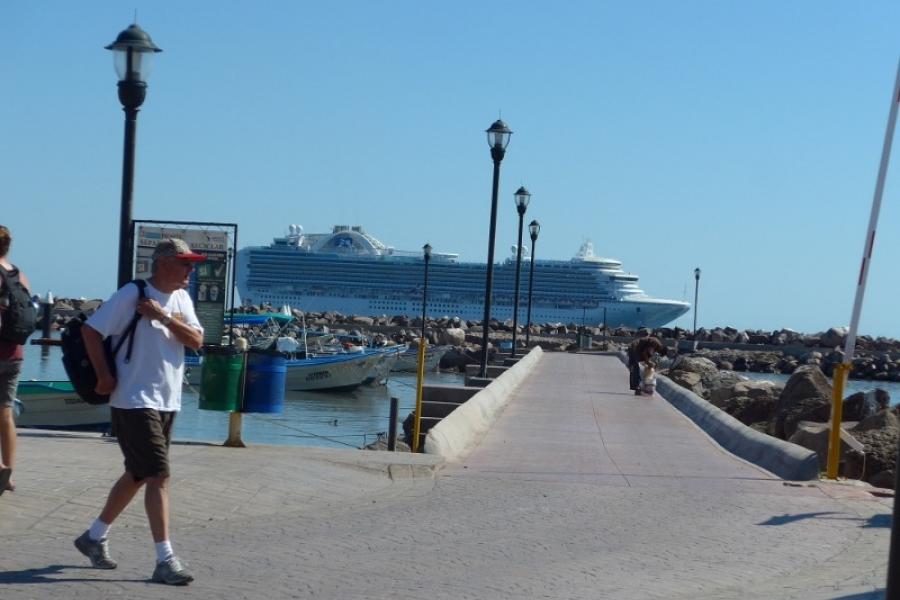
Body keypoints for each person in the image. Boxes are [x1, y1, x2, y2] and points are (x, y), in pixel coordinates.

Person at [74, 238, 205, 585]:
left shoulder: (180, 298)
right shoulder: (131, 294)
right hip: (133, 398)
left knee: (137, 474)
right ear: (161, 263)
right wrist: (103, 374)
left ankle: (93, 537)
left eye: (192, 263)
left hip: (168, 399)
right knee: (158, 476)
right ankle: (165, 559)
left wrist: (162, 316)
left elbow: (196, 340)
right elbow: (90, 330)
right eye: (184, 263)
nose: (191, 269)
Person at [0, 225, 31, 495]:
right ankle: (8, 473)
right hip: (15, 353)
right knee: (6, 413)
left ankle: (0, 467)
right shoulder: (19, 274)